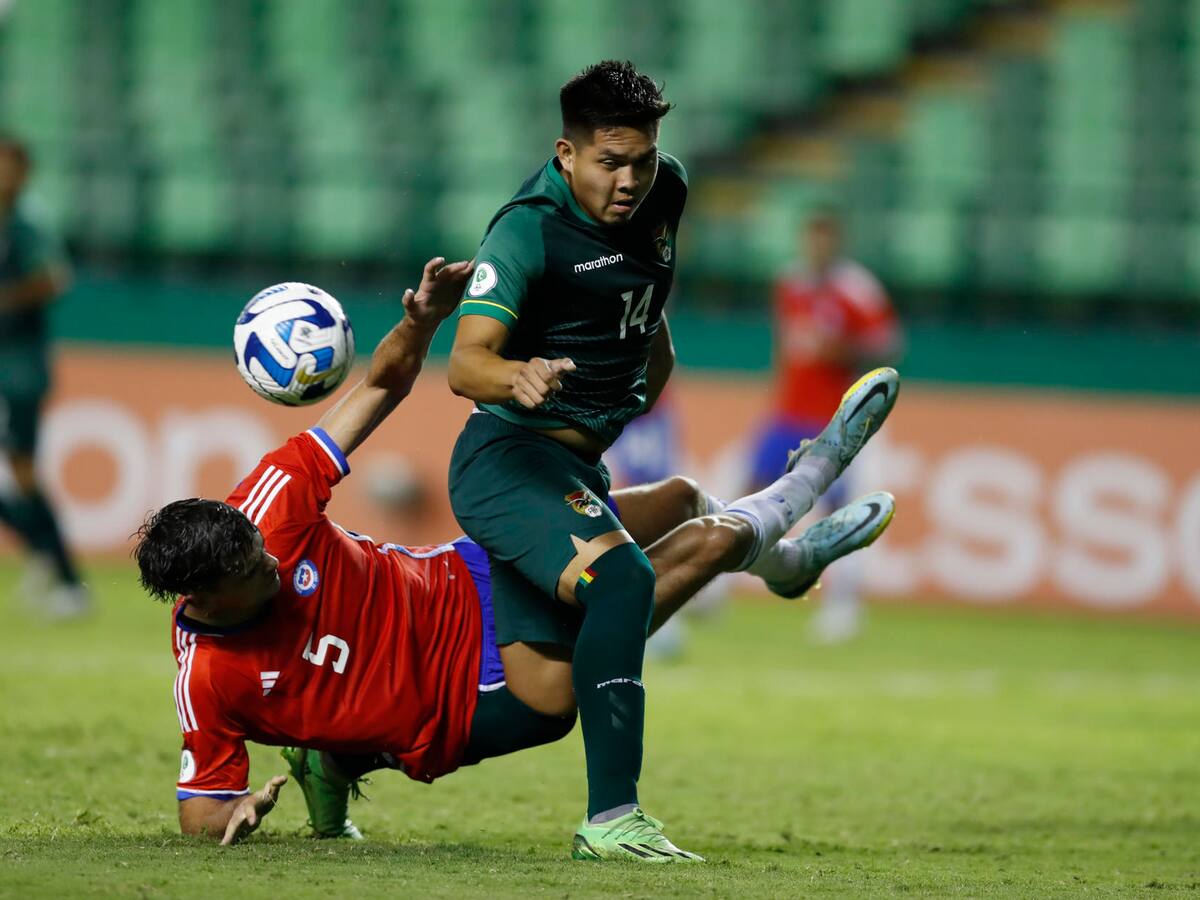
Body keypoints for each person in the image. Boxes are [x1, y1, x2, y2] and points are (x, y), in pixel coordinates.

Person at [134, 254, 900, 855]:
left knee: (679, 498)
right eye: (253, 573)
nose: (270, 563)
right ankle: (809, 481)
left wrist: (423, 320)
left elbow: (382, 385)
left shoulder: (270, 502)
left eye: (261, 550)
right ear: (204, 599)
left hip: (459, 579)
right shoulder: (208, 677)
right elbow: (199, 808)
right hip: (458, 700)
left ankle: (788, 568)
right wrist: (233, 815)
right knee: (699, 547)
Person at [749, 207, 903, 643]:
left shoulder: (857, 289)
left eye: (824, 238)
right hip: (787, 413)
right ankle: (712, 591)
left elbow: (890, 344)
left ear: (836, 241)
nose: (817, 246)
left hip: (834, 420)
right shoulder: (789, 283)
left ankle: (842, 606)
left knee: (839, 512)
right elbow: (786, 347)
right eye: (811, 238)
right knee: (750, 491)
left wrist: (843, 351)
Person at [0, 135, 89, 619]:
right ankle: (41, 550)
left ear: (24, 174)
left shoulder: (27, 223)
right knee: (19, 473)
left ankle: (69, 580)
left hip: (18, 367)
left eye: (9, 167)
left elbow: (54, 278)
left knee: (23, 470)